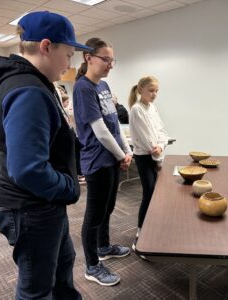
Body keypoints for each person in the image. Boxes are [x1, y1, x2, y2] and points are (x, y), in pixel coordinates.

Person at [0, 11, 91, 299]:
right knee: (36, 288)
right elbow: (27, 169)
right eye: (69, 54)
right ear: (47, 47)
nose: (70, 63)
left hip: (41, 201)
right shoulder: (28, 91)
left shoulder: (35, 83)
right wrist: (68, 189)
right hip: (30, 206)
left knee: (62, 264)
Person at [73, 37, 132, 286]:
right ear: (89, 58)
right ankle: (92, 266)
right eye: (105, 59)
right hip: (97, 161)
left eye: (112, 60)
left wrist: (126, 150)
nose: (110, 64)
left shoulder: (104, 86)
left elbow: (115, 125)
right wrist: (122, 155)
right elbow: (99, 130)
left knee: (108, 208)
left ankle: (104, 246)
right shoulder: (82, 88)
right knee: (93, 216)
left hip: (112, 158)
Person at [128, 76, 169, 252]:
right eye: (151, 90)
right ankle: (141, 231)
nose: (154, 94)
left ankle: (152, 226)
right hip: (145, 158)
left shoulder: (152, 107)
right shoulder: (137, 110)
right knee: (149, 193)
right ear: (141, 90)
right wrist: (158, 154)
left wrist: (161, 145)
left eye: (156, 91)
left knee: (155, 193)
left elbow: (162, 132)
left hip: (155, 155)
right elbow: (146, 140)